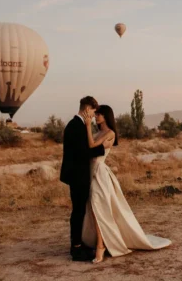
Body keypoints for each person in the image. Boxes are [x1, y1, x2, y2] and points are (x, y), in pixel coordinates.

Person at [80, 105, 172, 264]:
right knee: (94, 209)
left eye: (99, 114)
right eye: (95, 115)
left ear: (106, 116)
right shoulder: (98, 132)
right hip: (90, 171)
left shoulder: (110, 133)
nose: (96, 117)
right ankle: (101, 241)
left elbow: (92, 146)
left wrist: (87, 126)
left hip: (100, 173)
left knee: (97, 207)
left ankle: (101, 245)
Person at [60, 96, 113, 262]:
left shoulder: (78, 125)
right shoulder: (76, 126)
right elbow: (82, 152)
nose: (94, 115)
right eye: (93, 111)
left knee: (81, 211)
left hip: (82, 174)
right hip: (78, 175)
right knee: (78, 211)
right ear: (86, 109)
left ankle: (79, 244)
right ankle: (76, 249)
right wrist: (102, 150)